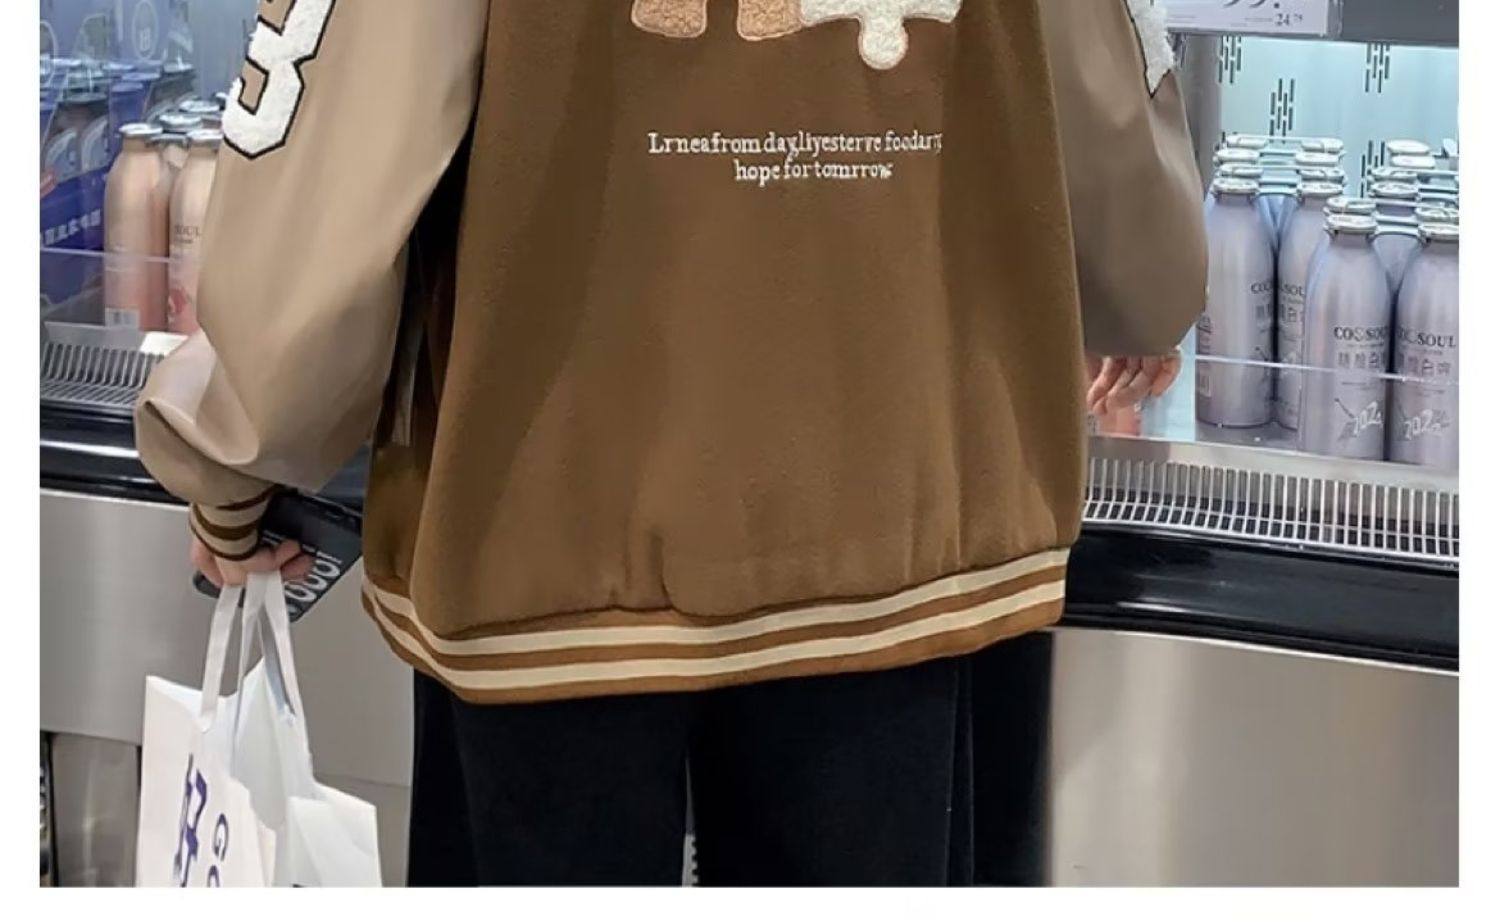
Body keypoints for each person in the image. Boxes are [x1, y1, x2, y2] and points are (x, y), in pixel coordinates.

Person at [135, 0, 1204, 886]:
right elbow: (1105, 63)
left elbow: (334, 100)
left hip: (546, 525)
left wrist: (239, 454)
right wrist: (1144, 284)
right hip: (901, 520)